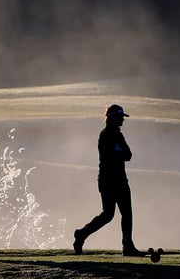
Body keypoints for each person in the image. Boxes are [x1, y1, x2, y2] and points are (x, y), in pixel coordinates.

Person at [73, 104, 143, 256]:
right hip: (108, 180)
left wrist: (118, 150)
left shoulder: (118, 135)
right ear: (112, 118)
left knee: (126, 213)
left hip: (120, 180)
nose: (122, 121)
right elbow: (116, 154)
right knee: (108, 215)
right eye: (120, 118)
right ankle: (81, 234)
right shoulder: (105, 135)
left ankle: (127, 246)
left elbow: (128, 155)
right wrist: (118, 150)